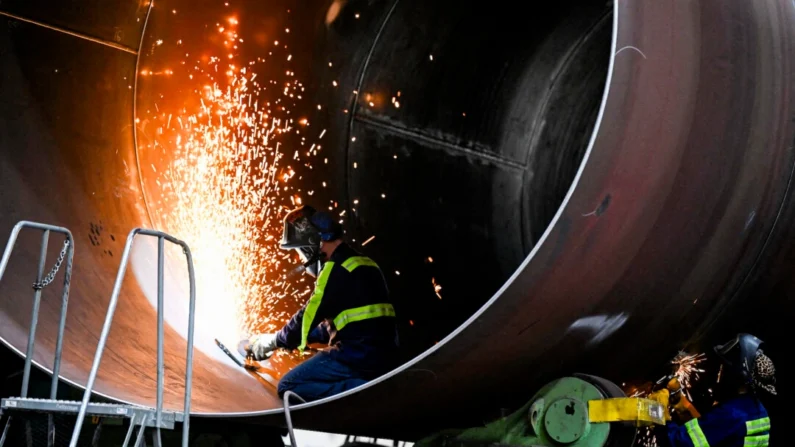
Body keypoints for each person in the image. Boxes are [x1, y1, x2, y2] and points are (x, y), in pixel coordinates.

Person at [246, 205, 399, 401]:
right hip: (383, 357)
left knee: (289, 385)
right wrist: (304, 338)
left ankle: (361, 390)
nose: (301, 258)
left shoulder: (333, 269)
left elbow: (306, 317)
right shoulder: (364, 263)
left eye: (300, 251)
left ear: (313, 244)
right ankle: (365, 387)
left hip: (357, 358)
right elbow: (350, 322)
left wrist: (274, 341)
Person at [660, 333, 775, 447]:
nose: (719, 374)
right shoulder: (758, 410)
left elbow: (677, 443)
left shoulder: (732, 413)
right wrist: (683, 405)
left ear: (734, 375)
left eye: (723, 369)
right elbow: (711, 433)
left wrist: (656, 411)